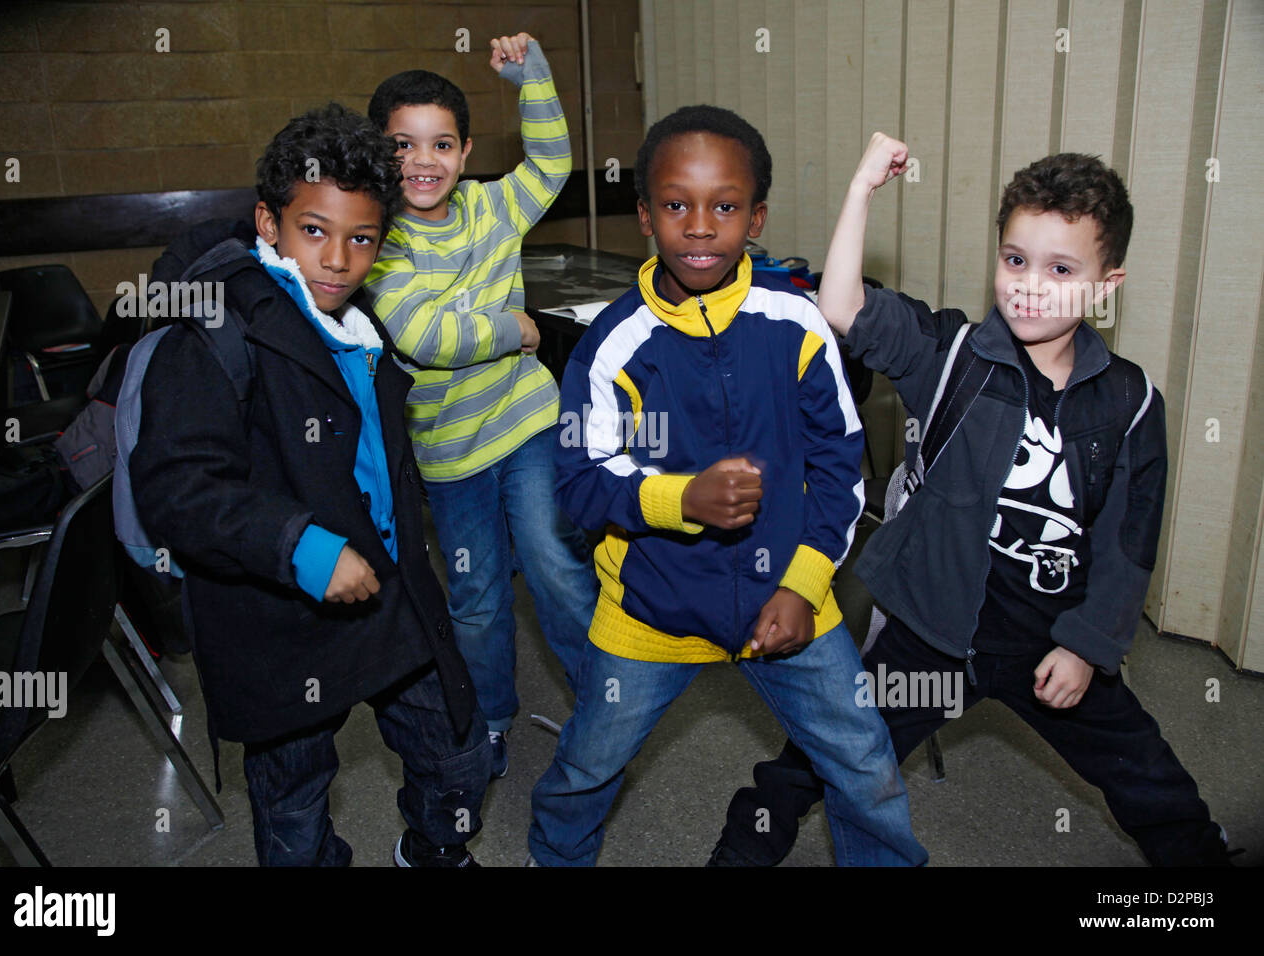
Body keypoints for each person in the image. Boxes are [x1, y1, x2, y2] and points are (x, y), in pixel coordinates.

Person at [711, 133, 1234, 867]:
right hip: (931, 634)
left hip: (1049, 643)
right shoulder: (950, 355)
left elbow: (1127, 543)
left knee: (1151, 782)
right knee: (823, 754)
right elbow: (840, 306)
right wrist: (862, 188)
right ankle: (740, 854)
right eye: (1015, 260)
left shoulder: (1130, 403)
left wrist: (1087, 646)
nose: (1029, 284)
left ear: (1105, 286)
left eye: (1060, 269)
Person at [525, 106, 927, 866]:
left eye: (726, 206)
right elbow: (577, 482)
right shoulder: (611, 345)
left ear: (757, 216)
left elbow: (842, 468)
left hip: (788, 599)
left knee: (866, 765)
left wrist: (804, 586)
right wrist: (681, 500)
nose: (701, 226)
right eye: (676, 205)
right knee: (587, 767)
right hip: (651, 611)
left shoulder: (797, 323)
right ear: (644, 215)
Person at [131, 103, 490, 867]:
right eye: (314, 232)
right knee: (294, 805)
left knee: (457, 755)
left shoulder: (360, 327)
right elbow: (178, 487)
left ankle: (431, 849)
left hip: (389, 593)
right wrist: (302, 548)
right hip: (277, 614)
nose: (337, 259)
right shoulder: (216, 329)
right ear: (268, 222)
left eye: (361, 239)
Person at [365, 33, 598, 779]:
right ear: (380, 154)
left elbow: (554, 163)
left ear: (465, 152)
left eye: (441, 144)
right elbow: (423, 335)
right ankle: (491, 717)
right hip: (449, 451)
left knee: (556, 564)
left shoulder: (495, 208)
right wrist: (514, 329)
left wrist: (534, 78)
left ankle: (607, 702)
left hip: (525, 420)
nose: (423, 160)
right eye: (403, 145)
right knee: (476, 596)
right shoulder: (380, 240)